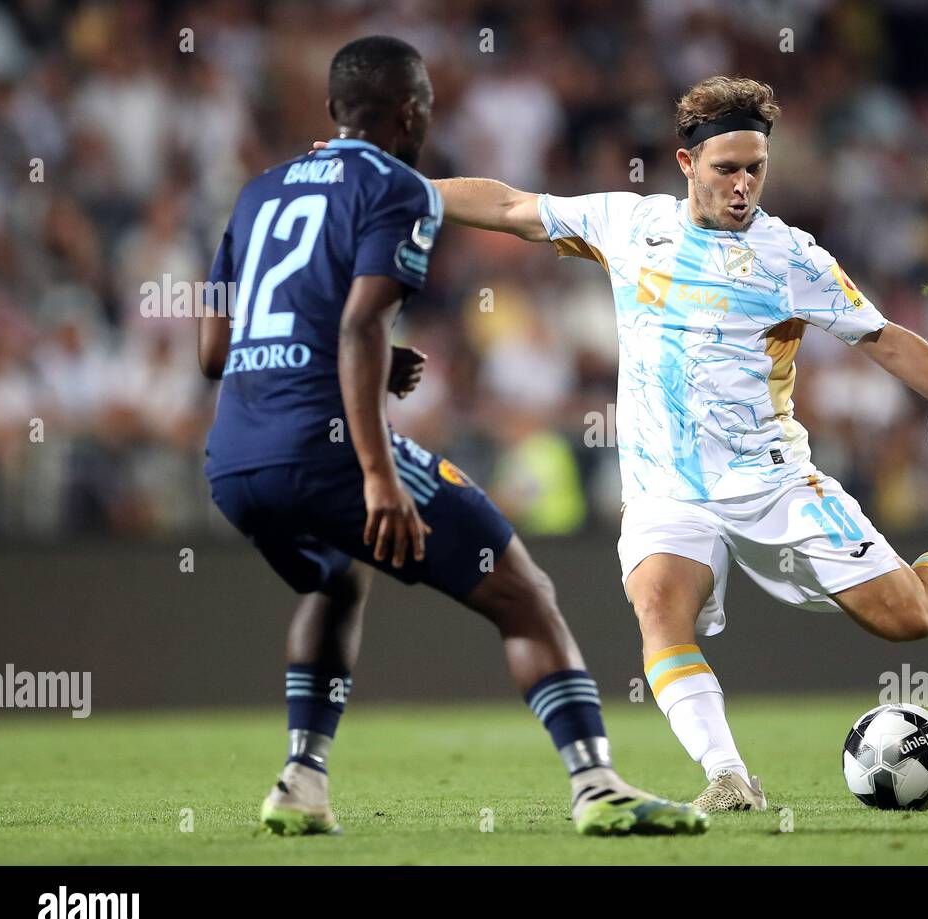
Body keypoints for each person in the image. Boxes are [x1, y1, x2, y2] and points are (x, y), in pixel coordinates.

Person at [397, 75, 928, 811]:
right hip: (666, 490)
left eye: (756, 167)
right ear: (687, 165)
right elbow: (509, 206)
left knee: (910, 617)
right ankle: (728, 776)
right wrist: (402, 188)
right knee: (659, 608)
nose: (744, 183)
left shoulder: (792, 258)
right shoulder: (628, 225)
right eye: (727, 168)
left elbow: (887, 341)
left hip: (773, 484)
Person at [199, 36, 706, 837]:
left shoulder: (258, 191)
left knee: (338, 574)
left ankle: (300, 779)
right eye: (429, 107)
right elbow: (362, 322)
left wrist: (361, 357)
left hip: (232, 460)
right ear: (411, 114)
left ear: (333, 110)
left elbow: (212, 352)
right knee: (524, 594)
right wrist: (376, 474)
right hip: (324, 448)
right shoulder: (401, 188)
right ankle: (597, 785)